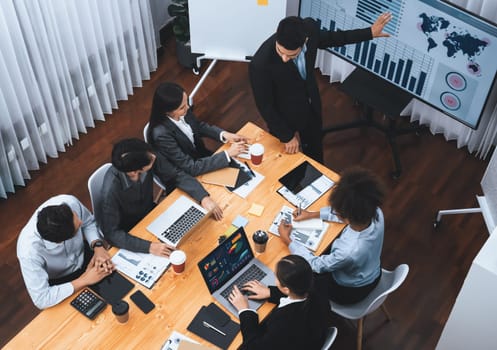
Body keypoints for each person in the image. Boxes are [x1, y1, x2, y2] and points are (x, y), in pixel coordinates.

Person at [249, 13, 392, 163]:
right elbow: (266, 107)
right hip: (283, 117)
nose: (284, 58)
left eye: (291, 55)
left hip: (311, 106)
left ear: (305, 41)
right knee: (283, 161)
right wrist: (286, 136)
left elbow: (335, 38)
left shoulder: (309, 29)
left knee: (316, 156)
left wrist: (369, 33)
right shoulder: (260, 65)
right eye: (281, 52)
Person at [99, 138, 223, 257]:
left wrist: (203, 197)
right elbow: (112, 233)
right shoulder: (110, 190)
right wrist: (149, 247)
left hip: (152, 214)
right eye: (150, 160)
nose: (154, 157)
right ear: (134, 172)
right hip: (131, 233)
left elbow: (176, 175)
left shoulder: (146, 156)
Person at [279, 167, 386, 304]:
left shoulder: (348, 251)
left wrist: (288, 240)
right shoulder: (375, 212)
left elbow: (316, 265)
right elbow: (349, 210)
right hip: (371, 270)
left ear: (344, 215)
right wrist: (312, 214)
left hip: (348, 290)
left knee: (298, 279)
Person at [17, 194, 114, 309]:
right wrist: (84, 280)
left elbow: (88, 223)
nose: (80, 222)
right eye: (78, 229)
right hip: (62, 282)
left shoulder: (69, 202)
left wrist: (98, 246)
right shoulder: (28, 253)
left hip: (87, 255)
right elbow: (41, 299)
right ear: (60, 242)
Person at [228, 255, 330, 350]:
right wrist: (270, 292)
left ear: (286, 289)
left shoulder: (284, 323)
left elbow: (252, 347)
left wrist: (244, 310)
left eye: (275, 276)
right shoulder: (319, 291)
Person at [148, 82, 248, 176]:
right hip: (189, 173)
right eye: (182, 107)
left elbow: (198, 126)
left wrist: (224, 134)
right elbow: (190, 167)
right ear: (167, 111)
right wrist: (227, 154)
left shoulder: (184, 110)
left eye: (186, 102)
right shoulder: (162, 135)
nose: (188, 107)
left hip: (203, 158)